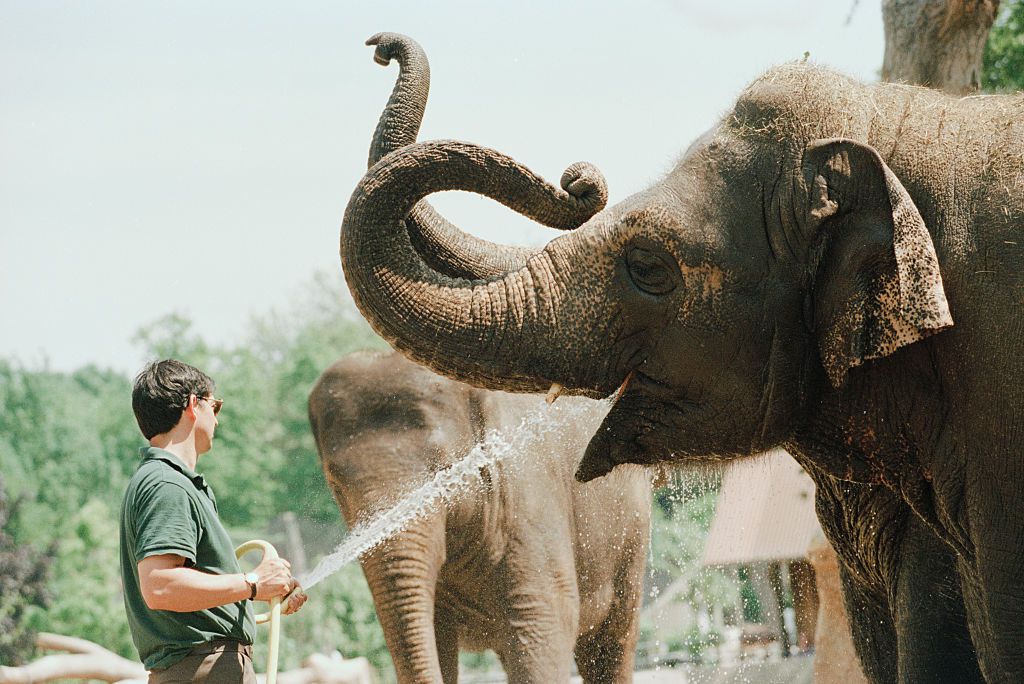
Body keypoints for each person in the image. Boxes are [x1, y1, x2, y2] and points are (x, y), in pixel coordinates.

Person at [119, 359, 308, 683]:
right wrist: (251, 583)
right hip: (205, 670)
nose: (217, 420)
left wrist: (268, 592)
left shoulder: (169, 482)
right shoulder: (168, 485)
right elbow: (160, 586)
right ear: (194, 403)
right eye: (215, 406)